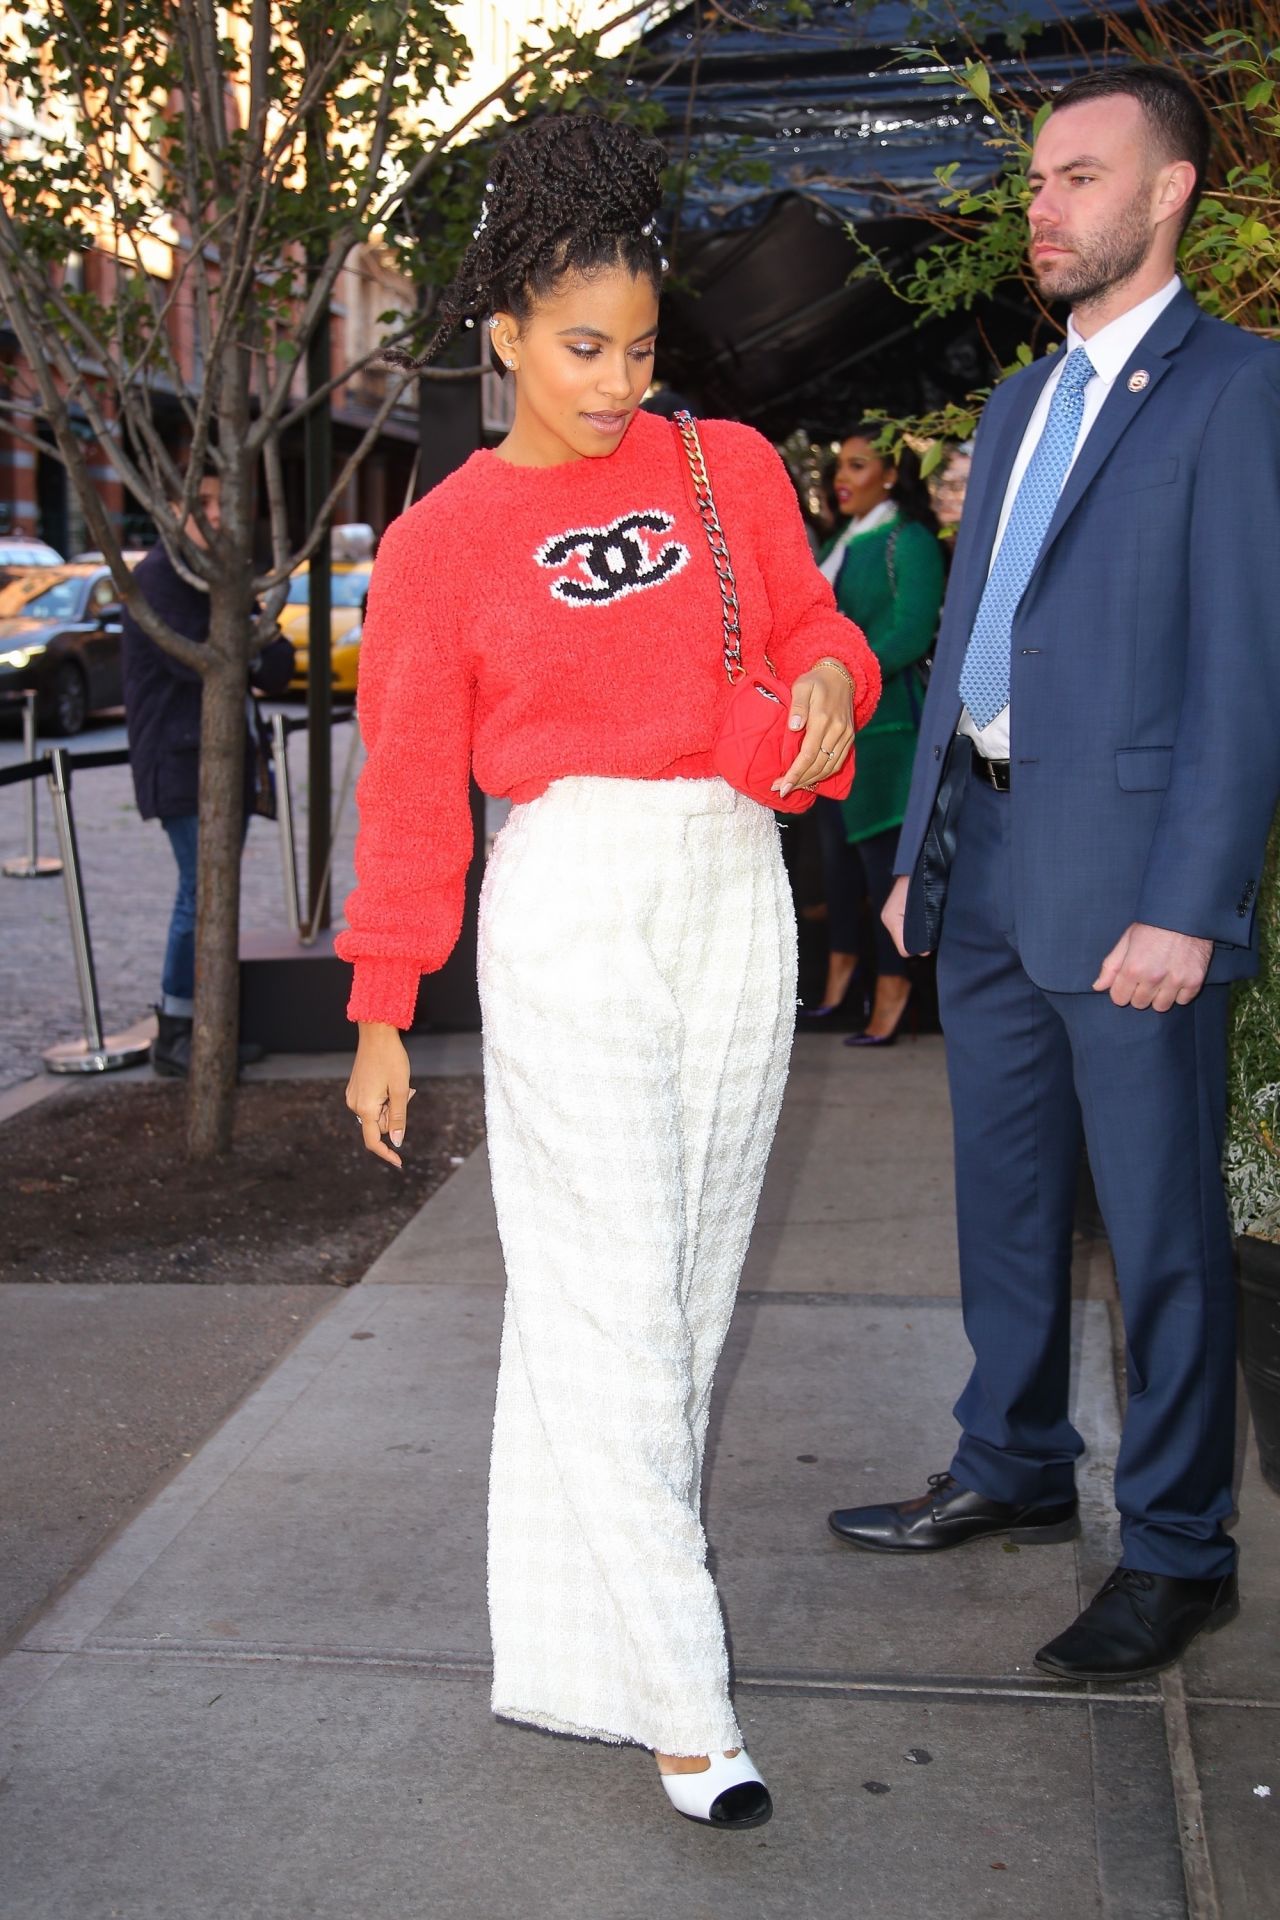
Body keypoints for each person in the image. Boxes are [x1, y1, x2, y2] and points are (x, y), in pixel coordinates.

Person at [337, 113, 879, 1827]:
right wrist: (380, 1009)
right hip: (567, 903)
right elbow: (415, 791)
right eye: (583, 348)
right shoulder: (438, 546)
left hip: (731, 890)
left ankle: (588, 1647)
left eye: (643, 347)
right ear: (500, 329)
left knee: (684, 1292)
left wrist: (838, 691)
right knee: (614, 1299)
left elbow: (814, 634)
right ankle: (686, 1701)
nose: (617, 380)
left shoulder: (722, 468)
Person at [829, 66, 1280, 1682]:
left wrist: (1191, 900)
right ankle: (1013, 1463)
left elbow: (1248, 668)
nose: (1044, 205)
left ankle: (1178, 1553)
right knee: (1005, 1201)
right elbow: (972, 633)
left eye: (1080, 176)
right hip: (992, 856)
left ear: (1167, 196)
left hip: (1139, 886)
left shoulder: (1241, 390)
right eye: (1036, 180)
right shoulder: (1018, 402)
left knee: (1158, 1239)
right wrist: (922, 850)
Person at [121, 471, 294, 1076]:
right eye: (203, 503)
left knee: (212, 895)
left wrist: (246, 640)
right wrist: (244, 642)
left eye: (224, 502)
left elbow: (273, 665)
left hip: (226, 760)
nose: (218, 515)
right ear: (171, 507)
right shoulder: (161, 578)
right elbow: (203, 668)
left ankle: (207, 1029)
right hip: (181, 762)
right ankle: (176, 1032)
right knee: (201, 895)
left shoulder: (218, 576)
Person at [803, 427, 944, 1041]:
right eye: (840, 465)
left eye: (858, 465)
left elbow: (913, 632)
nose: (842, 477)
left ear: (889, 475)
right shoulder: (840, 543)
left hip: (888, 731)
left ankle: (893, 999)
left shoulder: (907, 540)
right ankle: (842, 985)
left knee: (887, 871)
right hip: (837, 731)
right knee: (840, 869)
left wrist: (842, 675)